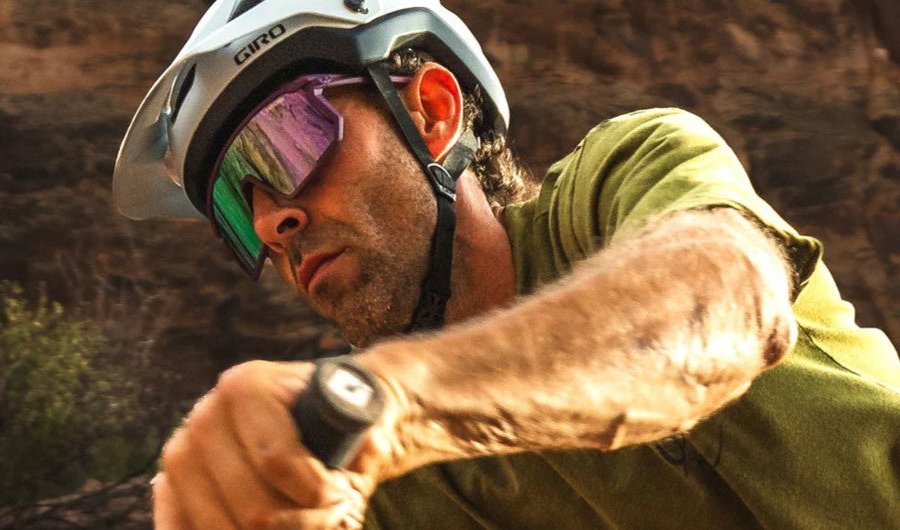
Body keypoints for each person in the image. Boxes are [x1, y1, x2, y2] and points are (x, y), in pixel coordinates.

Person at [113, 0, 900, 527]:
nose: (270, 222)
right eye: (235, 205)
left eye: (286, 140)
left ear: (431, 111)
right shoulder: (390, 489)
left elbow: (723, 298)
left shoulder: (619, 183)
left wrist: (394, 402)